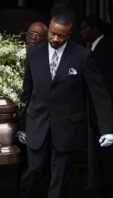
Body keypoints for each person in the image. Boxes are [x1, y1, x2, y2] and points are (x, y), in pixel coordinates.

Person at [18, 15, 113, 198]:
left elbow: (99, 94)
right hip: (37, 124)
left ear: (69, 35)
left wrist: (108, 129)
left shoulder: (82, 56)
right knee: (34, 173)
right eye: (52, 33)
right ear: (49, 29)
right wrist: (21, 126)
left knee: (59, 182)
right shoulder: (33, 54)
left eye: (60, 36)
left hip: (68, 129)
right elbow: (26, 93)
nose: (55, 39)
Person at [81, 15, 113, 198]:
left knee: (108, 159)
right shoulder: (98, 48)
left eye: (85, 28)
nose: (82, 32)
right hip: (100, 114)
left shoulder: (103, 49)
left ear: (95, 30)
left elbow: (105, 86)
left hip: (105, 113)